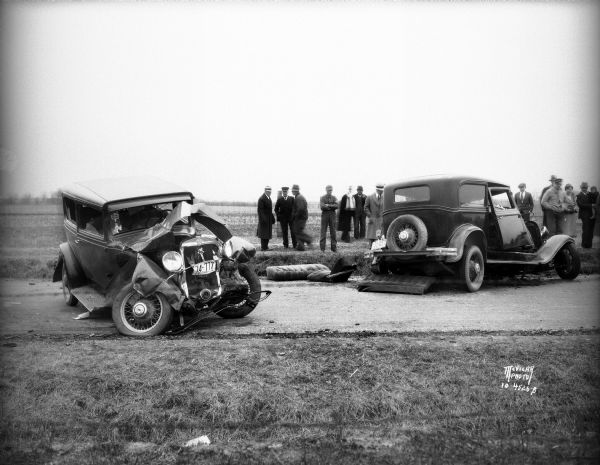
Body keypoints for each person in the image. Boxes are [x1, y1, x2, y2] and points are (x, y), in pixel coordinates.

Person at [291, 184, 312, 251]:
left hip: (300, 218)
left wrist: (295, 216)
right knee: (298, 231)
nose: (292, 192)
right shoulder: (298, 197)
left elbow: (300, 209)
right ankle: (301, 247)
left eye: (293, 190)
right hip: (301, 217)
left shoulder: (299, 198)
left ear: (296, 191)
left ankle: (308, 239)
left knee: (297, 232)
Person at [576, 182, 596, 248]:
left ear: (587, 188)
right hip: (584, 215)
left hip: (592, 214)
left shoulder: (590, 194)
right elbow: (580, 205)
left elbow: (595, 198)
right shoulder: (579, 195)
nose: (584, 189)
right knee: (586, 230)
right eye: (583, 187)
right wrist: (591, 205)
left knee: (591, 230)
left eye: (586, 187)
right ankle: (584, 245)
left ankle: (589, 245)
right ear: (581, 188)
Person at [319, 185, 338, 252]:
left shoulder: (334, 197)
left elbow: (337, 206)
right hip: (325, 215)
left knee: (333, 232)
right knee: (323, 232)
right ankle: (322, 249)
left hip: (332, 215)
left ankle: (334, 248)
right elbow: (322, 207)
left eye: (331, 190)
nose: (330, 191)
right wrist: (332, 206)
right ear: (326, 190)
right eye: (328, 190)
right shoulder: (322, 198)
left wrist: (328, 205)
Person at [256, 186, 275, 251]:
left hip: (268, 219)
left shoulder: (269, 198)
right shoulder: (261, 199)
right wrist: (263, 220)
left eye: (270, 192)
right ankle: (263, 247)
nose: (269, 193)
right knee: (264, 234)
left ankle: (266, 247)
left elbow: (270, 210)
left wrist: (272, 218)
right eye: (268, 191)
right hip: (264, 220)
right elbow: (260, 211)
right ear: (265, 191)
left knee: (267, 234)